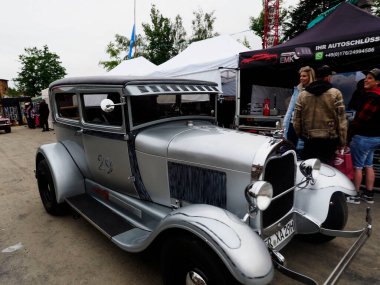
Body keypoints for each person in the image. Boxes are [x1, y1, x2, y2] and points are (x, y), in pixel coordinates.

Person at [293, 65, 347, 164]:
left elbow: (296, 119)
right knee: (326, 170)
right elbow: (341, 120)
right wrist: (342, 141)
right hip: (329, 141)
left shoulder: (303, 95)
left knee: (309, 169)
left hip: (309, 140)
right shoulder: (336, 93)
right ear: (328, 77)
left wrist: (302, 135)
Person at [346, 68, 380, 204]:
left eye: (370, 78)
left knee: (357, 166)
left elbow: (360, 119)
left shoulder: (372, 97)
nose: (366, 79)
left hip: (363, 137)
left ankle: (354, 195)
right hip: (375, 138)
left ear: (378, 82)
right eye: (366, 77)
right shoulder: (375, 95)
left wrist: (349, 134)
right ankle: (369, 195)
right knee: (369, 164)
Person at [283, 66, 316, 148]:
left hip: (305, 126)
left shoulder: (314, 90)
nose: (301, 78)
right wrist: (285, 124)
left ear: (310, 77)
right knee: (290, 148)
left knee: (301, 149)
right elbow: (290, 108)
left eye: (304, 76)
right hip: (292, 124)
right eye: (301, 76)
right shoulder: (298, 89)